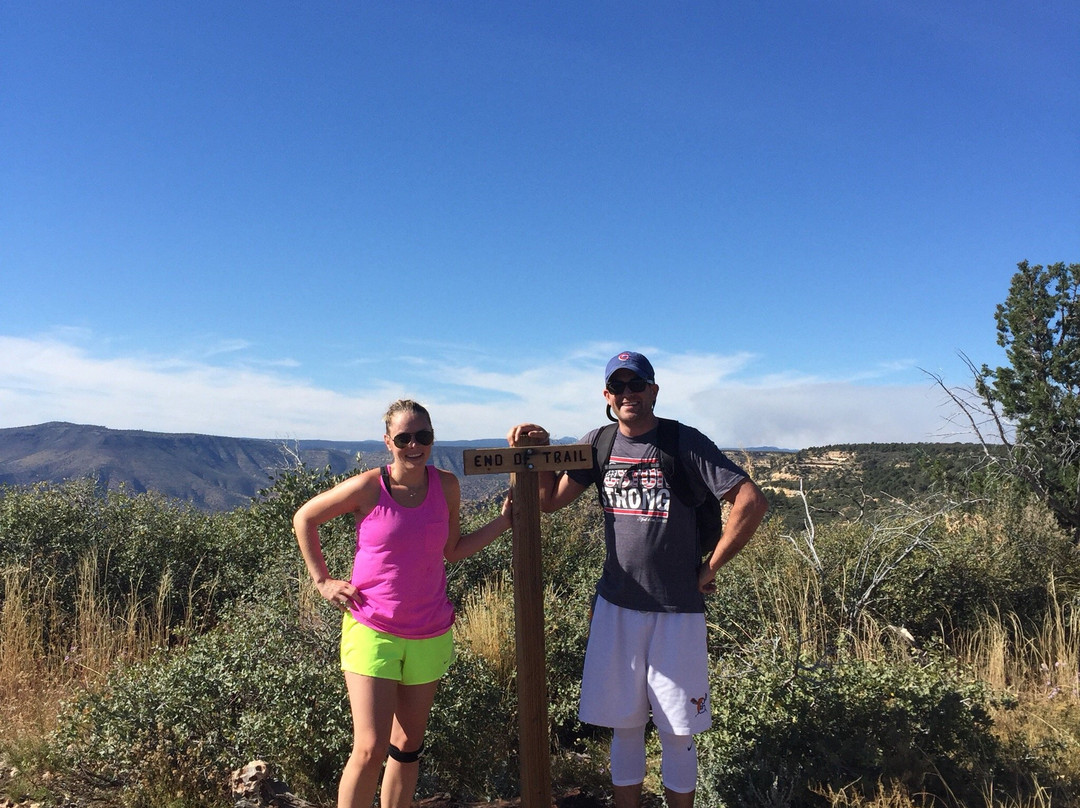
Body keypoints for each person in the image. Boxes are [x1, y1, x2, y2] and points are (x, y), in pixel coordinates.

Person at [508, 351, 768, 808]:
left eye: (637, 385)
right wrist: (538, 451)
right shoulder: (599, 443)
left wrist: (711, 567)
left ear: (653, 390)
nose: (628, 394)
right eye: (619, 387)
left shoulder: (682, 441)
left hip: (677, 609)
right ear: (607, 396)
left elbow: (750, 500)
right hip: (617, 605)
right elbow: (549, 502)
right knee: (625, 727)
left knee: (678, 731)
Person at [294, 399, 512, 808]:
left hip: (430, 631)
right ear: (388, 442)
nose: (415, 445)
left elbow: (453, 550)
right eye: (404, 437)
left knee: (408, 746)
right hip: (372, 627)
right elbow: (305, 518)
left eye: (423, 436)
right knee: (370, 748)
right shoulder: (368, 487)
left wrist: (504, 521)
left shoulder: (446, 485)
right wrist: (322, 581)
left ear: (432, 438)